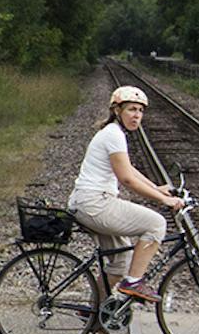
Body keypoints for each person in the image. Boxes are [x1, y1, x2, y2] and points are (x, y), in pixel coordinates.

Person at [68, 86, 184, 303]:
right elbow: (127, 179)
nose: (137, 115)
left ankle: (93, 311)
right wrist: (164, 199)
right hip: (95, 203)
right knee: (156, 224)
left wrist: (156, 187)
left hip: (88, 202)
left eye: (140, 110)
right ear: (117, 110)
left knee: (120, 261)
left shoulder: (113, 133)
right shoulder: (114, 134)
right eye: (131, 109)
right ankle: (133, 282)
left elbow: (129, 168)